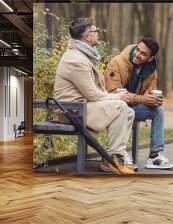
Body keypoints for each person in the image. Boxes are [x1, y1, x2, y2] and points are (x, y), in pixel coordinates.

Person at [53, 18, 135, 174]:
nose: (98, 34)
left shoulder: (84, 54)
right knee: (120, 106)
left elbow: (93, 91)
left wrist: (114, 94)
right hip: (73, 111)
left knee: (128, 111)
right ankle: (111, 158)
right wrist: (116, 98)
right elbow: (92, 95)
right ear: (88, 36)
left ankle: (115, 155)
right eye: (96, 31)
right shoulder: (76, 59)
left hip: (83, 106)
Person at [104, 37, 173, 170]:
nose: (137, 54)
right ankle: (120, 153)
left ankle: (154, 157)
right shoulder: (117, 63)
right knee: (125, 110)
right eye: (138, 50)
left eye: (143, 54)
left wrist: (154, 100)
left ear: (150, 58)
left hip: (131, 108)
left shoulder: (151, 70)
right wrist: (141, 99)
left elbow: (150, 92)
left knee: (159, 110)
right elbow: (113, 93)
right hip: (113, 109)